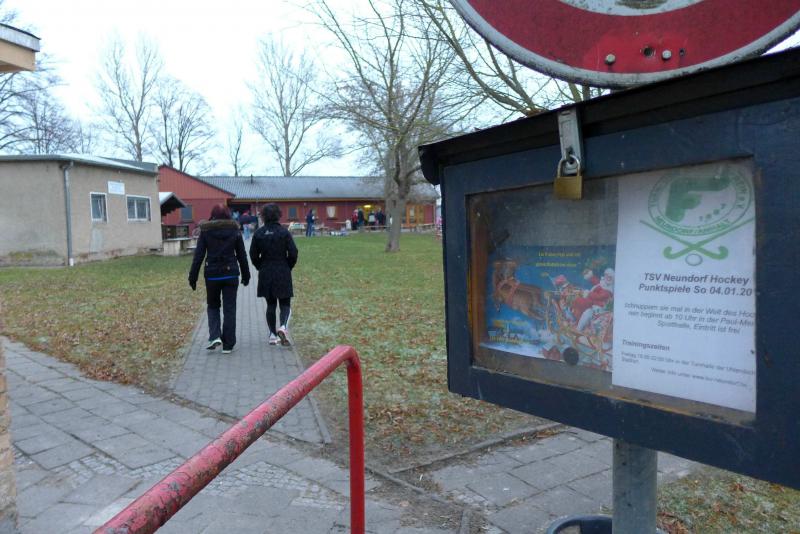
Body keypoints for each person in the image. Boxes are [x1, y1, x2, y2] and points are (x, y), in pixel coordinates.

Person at [188, 204, 250, 354]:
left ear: (213, 215)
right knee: (230, 308)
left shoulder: (206, 231)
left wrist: (193, 276)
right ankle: (228, 344)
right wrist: (246, 274)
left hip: (212, 275)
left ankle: (215, 336)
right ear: (228, 215)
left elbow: (199, 255)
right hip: (231, 274)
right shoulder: (234, 230)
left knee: (213, 305)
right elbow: (241, 254)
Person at [250, 203, 298, 346]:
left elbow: (253, 255)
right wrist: (288, 265)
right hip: (282, 270)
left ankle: (272, 335)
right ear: (279, 215)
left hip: (266, 271)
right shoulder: (284, 233)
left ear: (263, 216)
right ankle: (283, 327)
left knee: (270, 304)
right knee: (285, 303)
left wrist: (260, 266)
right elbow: (293, 252)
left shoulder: (258, 233)